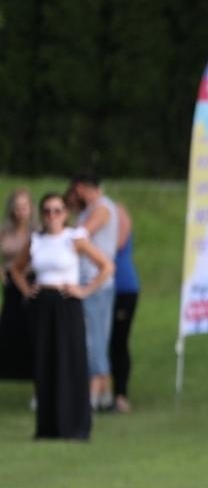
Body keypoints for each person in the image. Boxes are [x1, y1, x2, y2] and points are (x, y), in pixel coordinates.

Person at [7, 192, 113, 440]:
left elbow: (106, 266)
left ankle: (74, 425)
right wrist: (26, 289)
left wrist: (84, 290)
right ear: (41, 214)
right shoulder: (36, 240)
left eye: (57, 211)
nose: (52, 216)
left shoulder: (73, 239)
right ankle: (48, 426)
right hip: (42, 303)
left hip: (67, 302)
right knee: (44, 362)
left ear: (65, 214)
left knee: (70, 360)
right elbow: (16, 269)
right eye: (47, 211)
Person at [68, 173, 120, 412]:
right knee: (96, 337)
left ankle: (94, 396)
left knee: (94, 338)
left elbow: (81, 236)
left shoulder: (101, 208)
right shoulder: (95, 209)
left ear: (80, 188)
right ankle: (104, 394)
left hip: (95, 282)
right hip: (94, 281)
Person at [0, 189, 36, 382]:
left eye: (24, 207)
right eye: (17, 207)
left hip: (31, 278)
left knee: (31, 322)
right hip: (10, 281)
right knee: (10, 321)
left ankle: (30, 367)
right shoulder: (4, 231)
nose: (21, 211)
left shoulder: (36, 231)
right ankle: (9, 367)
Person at [108, 198, 139, 413]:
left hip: (122, 288)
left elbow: (118, 243)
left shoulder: (117, 211)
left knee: (118, 342)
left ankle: (120, 394)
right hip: (98, 289)